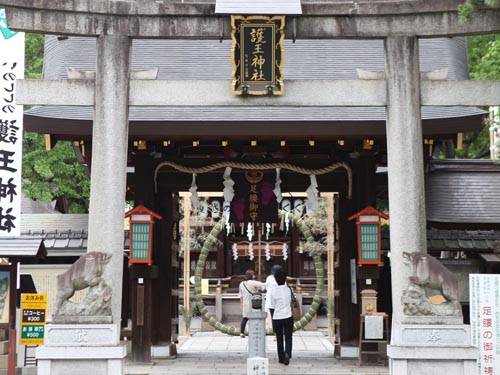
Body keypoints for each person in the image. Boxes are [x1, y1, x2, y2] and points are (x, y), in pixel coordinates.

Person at [270, 268, 294, 365]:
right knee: (288, 337)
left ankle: (281, 357)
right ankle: (287, 353)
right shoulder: (289, 289)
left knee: (279, 338)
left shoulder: (273, 291)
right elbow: (292, 301)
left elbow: (272, 304)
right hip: (288, 315)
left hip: (277, 316)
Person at [239, 269, 265, 337]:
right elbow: (262, 285)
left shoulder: (242, 284)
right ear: (251, 275)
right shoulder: (253, 282)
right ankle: (255, 331)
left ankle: (242, 332)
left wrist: (241, 303)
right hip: (253, 303)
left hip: (245, 303)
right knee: (254, 317)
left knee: (245, 318)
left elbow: (240, 295)